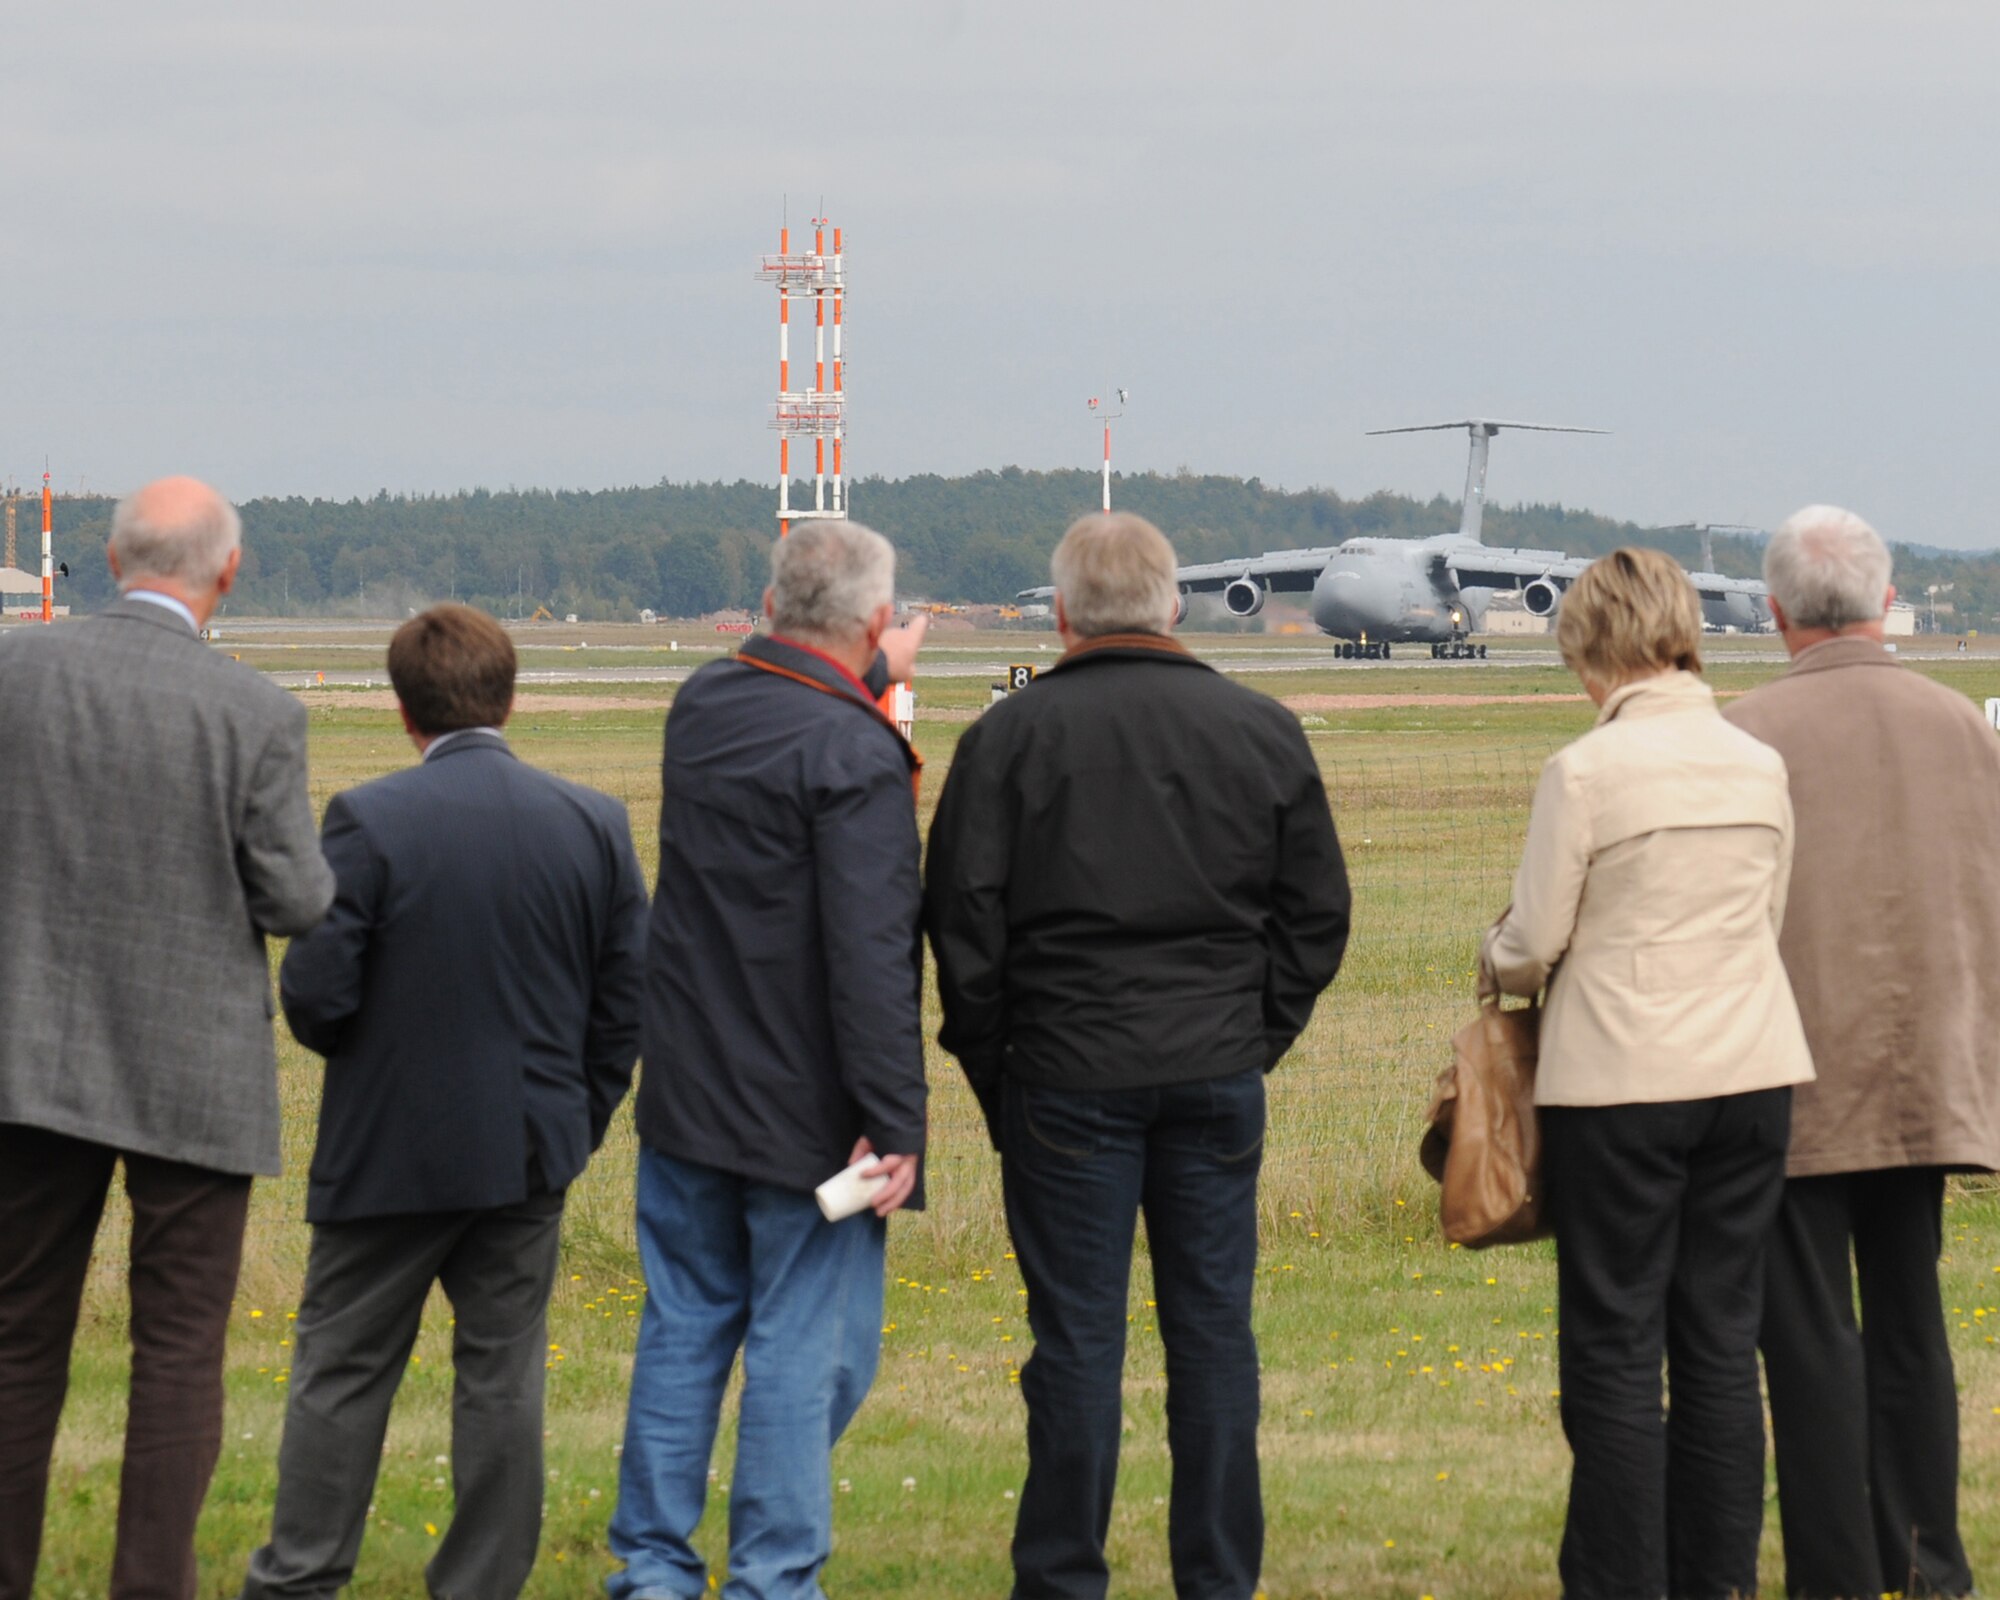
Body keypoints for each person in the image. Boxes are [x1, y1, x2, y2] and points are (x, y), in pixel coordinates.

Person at [925, 512, 1350, 1600]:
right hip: (1210, 1065)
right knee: (1213, 1338)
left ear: (1060, 615)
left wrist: (998, 1062)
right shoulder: (1258, 726)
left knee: (1073, 1343)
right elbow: (1315, 916)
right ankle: (1216, 1576)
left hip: (1065, 1069)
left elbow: (961, 925)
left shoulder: (1007, 737)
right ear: (1174, 604)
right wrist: (1252, 1034)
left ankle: (1063, 1576)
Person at [237, 605, 648, 1600]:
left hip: (387, 1148)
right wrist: (573, 1123)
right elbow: (624, 999)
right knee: (502, 1381)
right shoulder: (592, 820)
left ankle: (300, 1577)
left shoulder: (370, 819)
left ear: (403, 711)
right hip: (527, 1149)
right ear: (509, 698)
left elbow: (318, 998)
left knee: (341, 1373)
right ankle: (480, 1583)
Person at [0, 478, 334, 1600]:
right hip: (192, 1071)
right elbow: (294, 900)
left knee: (15, 1340)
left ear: (104, 558)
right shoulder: (254, 712)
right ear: (226, 572)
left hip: (24, 1055)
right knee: (179, 1353)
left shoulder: (12, 672)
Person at [1484, 547, 1814, 1600]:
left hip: (1618, 1078)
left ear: (1592, 650)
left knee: (1615, 1345)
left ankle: (1621, 1579)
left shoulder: (1582, 771)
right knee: (1720, 1340)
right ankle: (1713, 1578)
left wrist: (1491, 953)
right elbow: (1766, 916)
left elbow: (1532, 942)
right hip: (1750, 1069)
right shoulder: (1755, 762)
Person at [608, 520, 928, 1600]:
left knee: (684, 1328)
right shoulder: (856, 750)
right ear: (875, 620)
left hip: (691, 1085)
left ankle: (651, 1568)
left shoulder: (703, 704)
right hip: (807, 1109)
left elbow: (793, 696)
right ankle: (771, 1577)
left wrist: (874, 670)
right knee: (804, 1349)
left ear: (764, 599)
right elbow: (871, 951)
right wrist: (895, 1119)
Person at [1726, 507, 1998, 1600]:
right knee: (1908, 1317)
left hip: (1787, 1070)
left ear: (1775, 607)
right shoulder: (1963, 728)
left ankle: (1834, 1569)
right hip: (1928, 1063)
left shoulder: (1742, 731)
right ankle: (1926, 1556)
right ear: (1884, 600)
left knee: (1804, 1336)